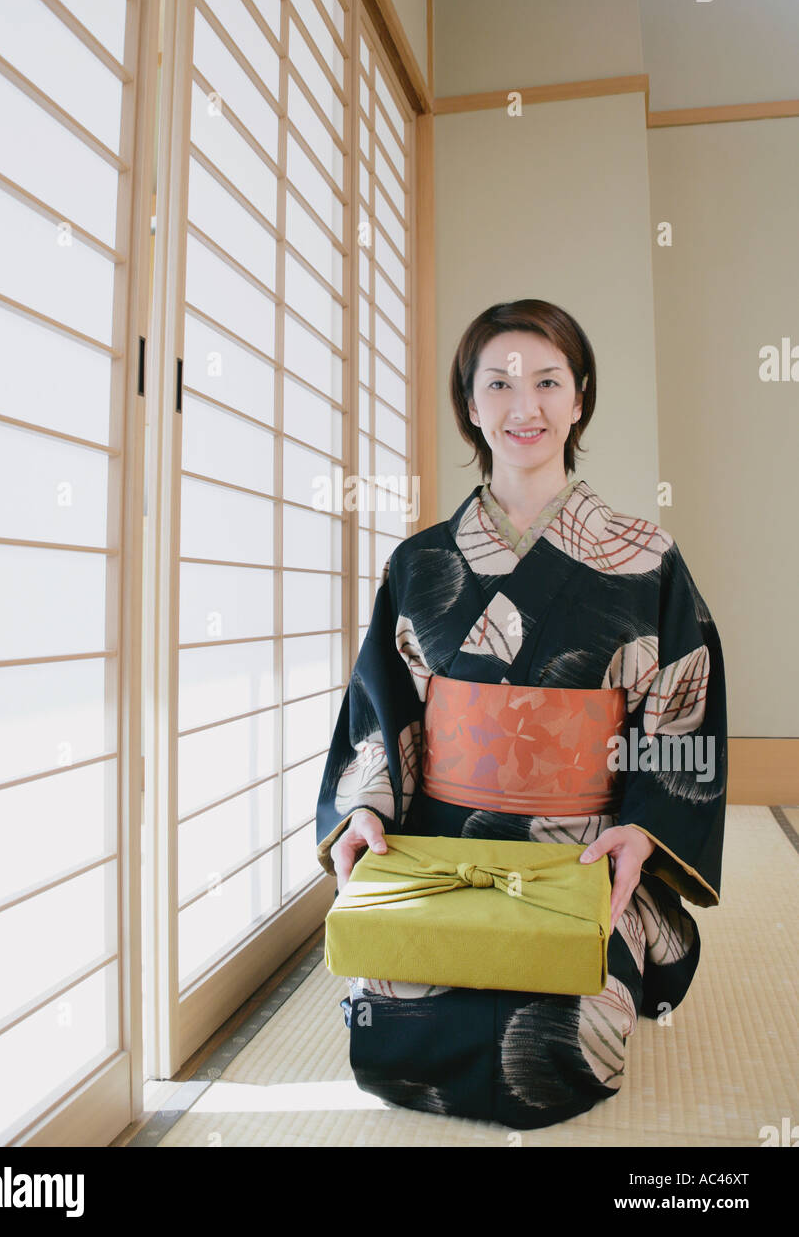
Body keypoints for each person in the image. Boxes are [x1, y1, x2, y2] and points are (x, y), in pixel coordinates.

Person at [315, 299, 728, 1131]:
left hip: (580, 861)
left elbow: (682, 709)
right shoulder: (419, 560)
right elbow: (379, 707)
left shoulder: (646, 556)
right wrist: (364, 808)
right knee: (389, 1013)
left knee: (568, 1036)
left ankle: (624, 946)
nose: (523, 405)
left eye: (546, 381)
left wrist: (642, 834)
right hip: (442, 854)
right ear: (472, 406)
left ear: (579, 399)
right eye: (497, 383)